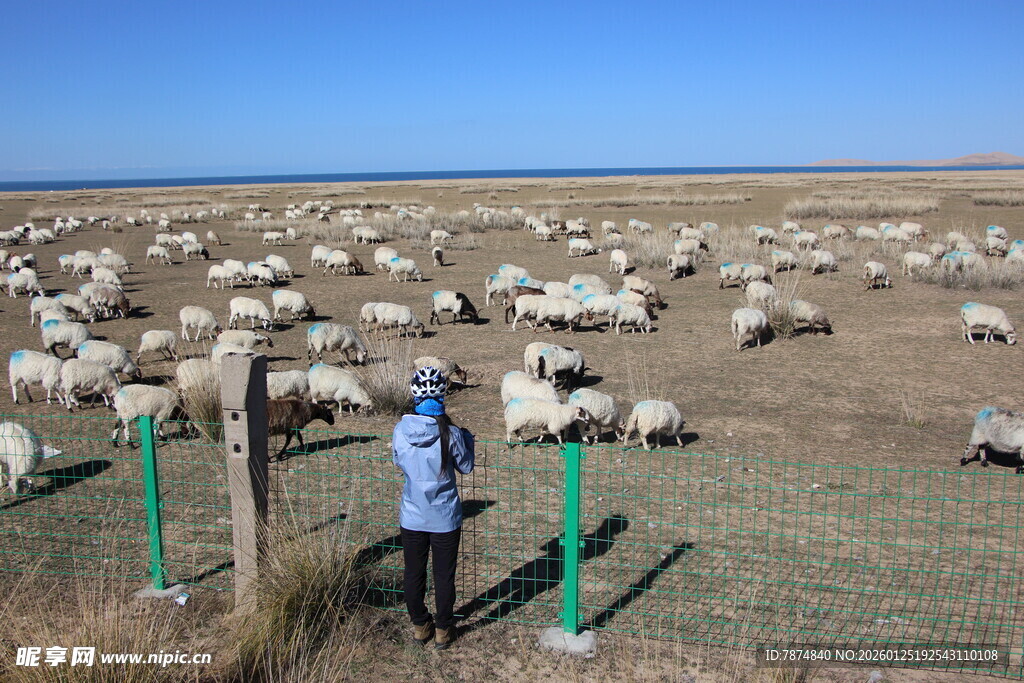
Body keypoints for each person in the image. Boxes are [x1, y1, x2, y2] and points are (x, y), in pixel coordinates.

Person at [393, 366, 475, 650]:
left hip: (412, 515)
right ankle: (443, 629)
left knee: (413, 572)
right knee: (444, 575)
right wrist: (468, 441)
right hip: (445, 518)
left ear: (414, 396)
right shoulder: (451, 433)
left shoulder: (401, 430)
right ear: (443, 395)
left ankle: (419, 625)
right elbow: (465, 466)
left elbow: (398, 461)